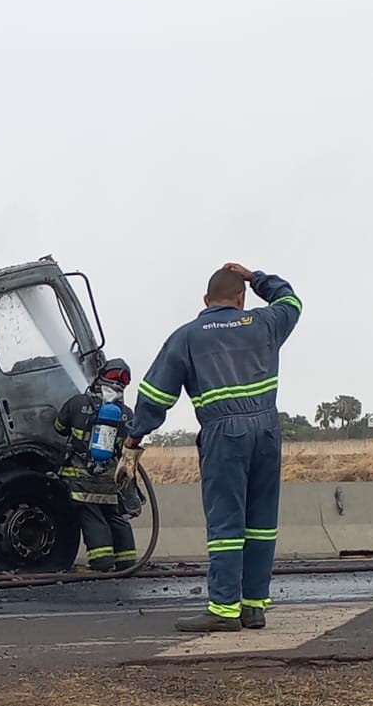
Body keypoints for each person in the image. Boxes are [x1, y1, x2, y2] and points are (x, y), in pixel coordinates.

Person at [118, 263, 301, 632]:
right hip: (266, 430)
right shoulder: (264, 323)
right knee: (261, 523)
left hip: (224, 434)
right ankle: (254, 607)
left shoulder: (188, 336)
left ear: (205, 300)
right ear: (241, 299)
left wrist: (135, 437)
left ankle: (223, 608)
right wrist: (255, 276)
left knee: (226, 523)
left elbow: (156, 394)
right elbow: (291, 300)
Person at [55, 359, 141, 571]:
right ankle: (127, 561)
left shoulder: (77, 403)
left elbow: (59, 428)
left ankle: (102, 562)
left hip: (83, 478)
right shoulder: (127, 414)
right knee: (115, 516)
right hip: (112, 480)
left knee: (92, 515)